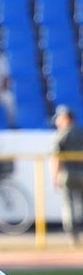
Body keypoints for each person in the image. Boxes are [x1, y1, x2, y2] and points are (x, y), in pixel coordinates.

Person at [50, 104, 83, 247]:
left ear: (66, 118)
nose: (57, 122)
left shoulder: (61, 134)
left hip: (67, 174)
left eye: (59, 118)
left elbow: (56, 157)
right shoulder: (81, 132)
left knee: (68, 205)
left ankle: (73, 237)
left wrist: (54, 177)